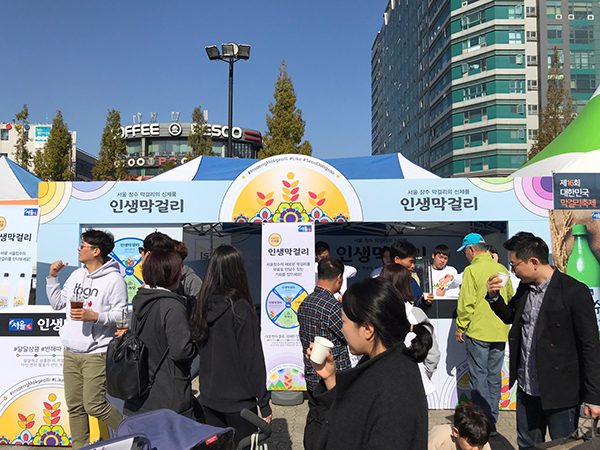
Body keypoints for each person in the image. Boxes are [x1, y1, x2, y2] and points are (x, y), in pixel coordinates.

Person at [486, 232, 600, 450]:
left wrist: (594, 397)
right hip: (527, 388)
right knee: (527, 444)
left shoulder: (574, 291)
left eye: (514, 264)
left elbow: (591, 347)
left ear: (534, 262)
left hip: (561, 391)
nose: (512, 271)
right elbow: (511, 316)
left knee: (563, 445)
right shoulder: (525, 289)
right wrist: (494, 298)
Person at [306, 277, 431, 449]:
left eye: (343, 322)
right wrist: (330, 378)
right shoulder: (387, 362)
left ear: (367, 330)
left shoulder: (394, 390)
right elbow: (356, 411)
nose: (342, 330)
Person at [47, 229, 127, 450]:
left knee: (94, 405)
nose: (78, 249)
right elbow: (57, 304)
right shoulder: (76, 275)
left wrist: (96, 316)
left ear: (96, 251)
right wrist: (52, 277)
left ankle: (133, 434)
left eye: (82, 245)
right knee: (74, 406)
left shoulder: (114, 280)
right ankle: (80, 447)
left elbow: (123, 316)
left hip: (97, 353)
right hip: (71, 352)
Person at [190, 245, 272, 446]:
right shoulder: (241, 308)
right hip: (240, 403)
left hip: (209, 398)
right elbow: (252, 359)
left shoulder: (202, 305)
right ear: (238, 270)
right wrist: (264, 403)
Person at [124, 251, 197, 418]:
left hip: (140, 391)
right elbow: (181, 351)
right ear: (171, 274)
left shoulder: (140, 299)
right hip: (168, 394)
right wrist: (198, 342)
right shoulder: (172, 305)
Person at [455, 233, 513, 433]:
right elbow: (510, 297)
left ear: (471, 250)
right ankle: (493, 423)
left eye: (465, 252)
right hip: (499, 331)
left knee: (478, 377)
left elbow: (466, 303)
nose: (466, 256)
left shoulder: (471, 271)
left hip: (478, 331)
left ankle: (482, 424)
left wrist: (460, 326)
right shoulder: (502, 268)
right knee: (494, 377)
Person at [298, 256, 351, 450]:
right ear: (339, 278)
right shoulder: (332, 307)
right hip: (331, 376)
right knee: (327, 419)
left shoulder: (305, 302)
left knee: (314, 414)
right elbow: (349, 336)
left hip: (311, 372)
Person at [379, 263, 440, 385]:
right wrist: (424, 374)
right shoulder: (415, 314)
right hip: (414, 382)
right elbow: (433, 353)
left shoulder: (376, 313)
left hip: (381, 381)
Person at [390, 239, 433, 308]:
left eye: (414, 262)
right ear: (397, 259)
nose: (413, 266)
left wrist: (426, 302)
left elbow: (418, 310)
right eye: (411, 262)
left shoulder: (412, 282)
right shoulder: (383, 283)